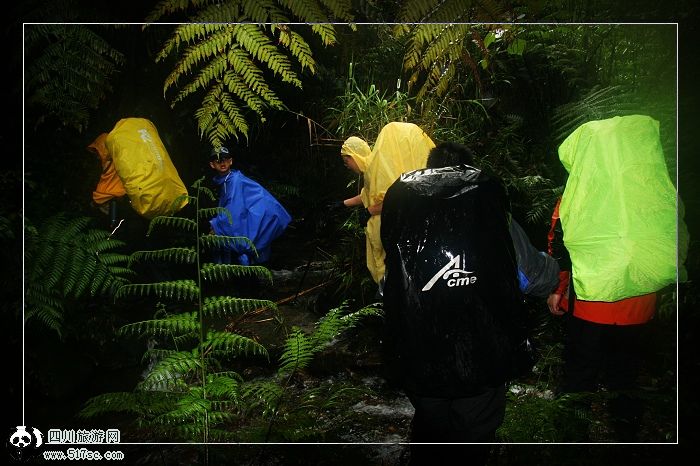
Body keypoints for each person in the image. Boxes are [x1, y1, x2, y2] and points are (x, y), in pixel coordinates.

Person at [381, 142, 534, 464]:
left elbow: (390, 274)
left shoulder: (402, 200)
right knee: (475, 430)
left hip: (420, 348)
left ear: (429, 164)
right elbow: (527, 268)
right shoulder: (488, 201)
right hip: (484, 347)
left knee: (431, 422)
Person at [546, 115, 687, 441]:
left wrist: (558, 289)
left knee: (580, 377)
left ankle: (571, 442)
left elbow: (561, 244)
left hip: (589, 306)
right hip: (640, 306)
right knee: (625, 377)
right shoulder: (654, 190)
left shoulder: (580, 194)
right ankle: (626, 439)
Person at [338, 122, 436, 287]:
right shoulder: (371, 170)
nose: (346, 165)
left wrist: (369, 211)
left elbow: (393, 200)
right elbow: (368, 195)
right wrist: (342, 204)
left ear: (354, 156)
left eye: (346, 160)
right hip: (389, 236)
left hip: (391, 236)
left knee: (393, 279)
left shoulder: (378, 167)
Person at [208, 146, 292, 266]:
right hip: (242, 227)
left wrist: (216, 225)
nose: (223, 162)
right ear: (212, 164)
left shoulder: (235, 180)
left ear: (231, 161)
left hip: (245, 227)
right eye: (218, 160)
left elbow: (234, 211)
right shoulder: (225, 181)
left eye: (226, 159)